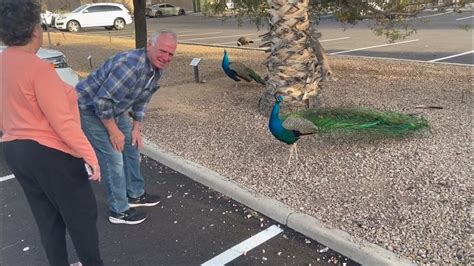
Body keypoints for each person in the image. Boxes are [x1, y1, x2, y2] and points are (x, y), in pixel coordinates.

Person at [0, 1, 103, 265]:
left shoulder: (3, 63)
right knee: (81, 216)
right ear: (35, 30)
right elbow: (63, 121)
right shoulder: (38, 69)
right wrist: (89, 155)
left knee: (47, 218)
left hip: (14, 148)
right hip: (49, 152)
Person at [76, 30, 178, 225]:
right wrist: (114, 132)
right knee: (113, 156)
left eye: (171, 54)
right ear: (150, 45)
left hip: (114, 109)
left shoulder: (156, 69)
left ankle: (135, 194)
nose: (166, 58)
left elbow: (142, 99)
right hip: (88, 108)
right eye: (162, 51)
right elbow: (101, 102)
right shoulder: (130, 66)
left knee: (132, 145)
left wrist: (136, 129)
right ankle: (119, 210)